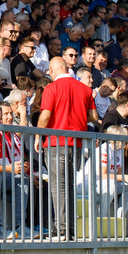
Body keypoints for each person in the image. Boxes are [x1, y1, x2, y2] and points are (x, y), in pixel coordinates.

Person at [37, 55, 97, 241]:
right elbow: (93, 116)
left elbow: (45, 116)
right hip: (77, 143)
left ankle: (61, 229)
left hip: (56, 142)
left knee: (58, 187)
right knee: (69, 186)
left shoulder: (51, 88)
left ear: (53, 70)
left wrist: (40, 134)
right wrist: (77, 118)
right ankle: (68, 228)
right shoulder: (84, 89)